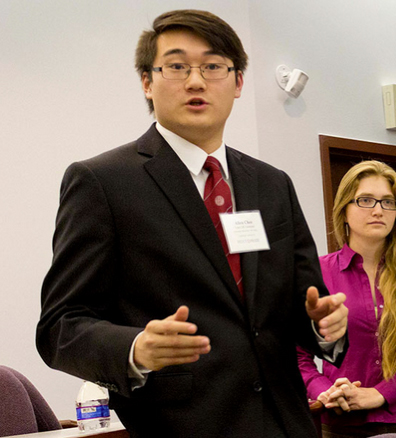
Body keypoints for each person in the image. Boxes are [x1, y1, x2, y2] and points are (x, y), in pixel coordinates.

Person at [36, 10, 348, 438]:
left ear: (238, 83)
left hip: (286, 423)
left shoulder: (272, 184)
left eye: (214, 66)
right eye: (177, 66)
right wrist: (136, 349)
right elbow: (60, 326)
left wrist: (322, 326)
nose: (196, 81)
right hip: (181, 425)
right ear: (147, 81)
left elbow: (301, 303)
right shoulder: (103, 182)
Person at [297, 160, 396, 438]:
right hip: (343, 423)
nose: (378, 210)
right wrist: (326, 391)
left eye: (387, 202)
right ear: (344, 210)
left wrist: (381, 394)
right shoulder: (318, 273)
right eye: (365, 200)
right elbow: (297, 357)